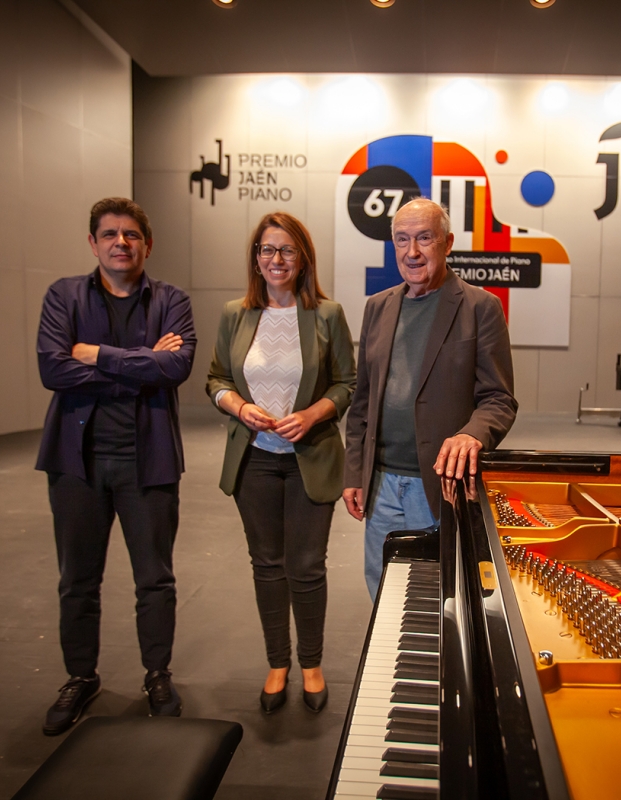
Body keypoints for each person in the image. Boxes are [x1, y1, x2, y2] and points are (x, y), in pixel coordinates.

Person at [35, 197, 196, 735]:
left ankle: (157, 673)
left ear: (146, 244)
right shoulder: (63, 295)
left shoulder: (172, 300)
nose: (120, 243)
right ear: (93, 243)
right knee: (77, 581)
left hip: (147, 464)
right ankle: (81, 677)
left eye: (131, 234)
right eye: (109, 234)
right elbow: (52, 370)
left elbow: (175, 367)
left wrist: (95, 354)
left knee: (155, 580)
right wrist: (140, 362)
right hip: (76, 465)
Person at [206, 212, 356, 714]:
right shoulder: (235, 314)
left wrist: (313, 413)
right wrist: (239, 407)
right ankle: (278, 662)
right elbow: (216, 379)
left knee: (307, 565)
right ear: (256, 258)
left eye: (287, 250)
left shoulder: (328, 315)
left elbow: (347, 384)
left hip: (309, 456)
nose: (276, 260)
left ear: (303, 258)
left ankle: (311, 663)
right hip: (254, 459)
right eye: (267, 250)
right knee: (267, 565)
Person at [343, 197, 518, 601]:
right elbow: (363, 401)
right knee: (384, 594)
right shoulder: (378, 307)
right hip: (382, 484)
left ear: (447, 242)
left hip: (439, 485)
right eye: (402, 240)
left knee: (439, 597)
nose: (412, 251)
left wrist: (472, 434)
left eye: (424, 238)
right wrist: (354, 472)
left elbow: (499, 399)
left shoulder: (481, 308)